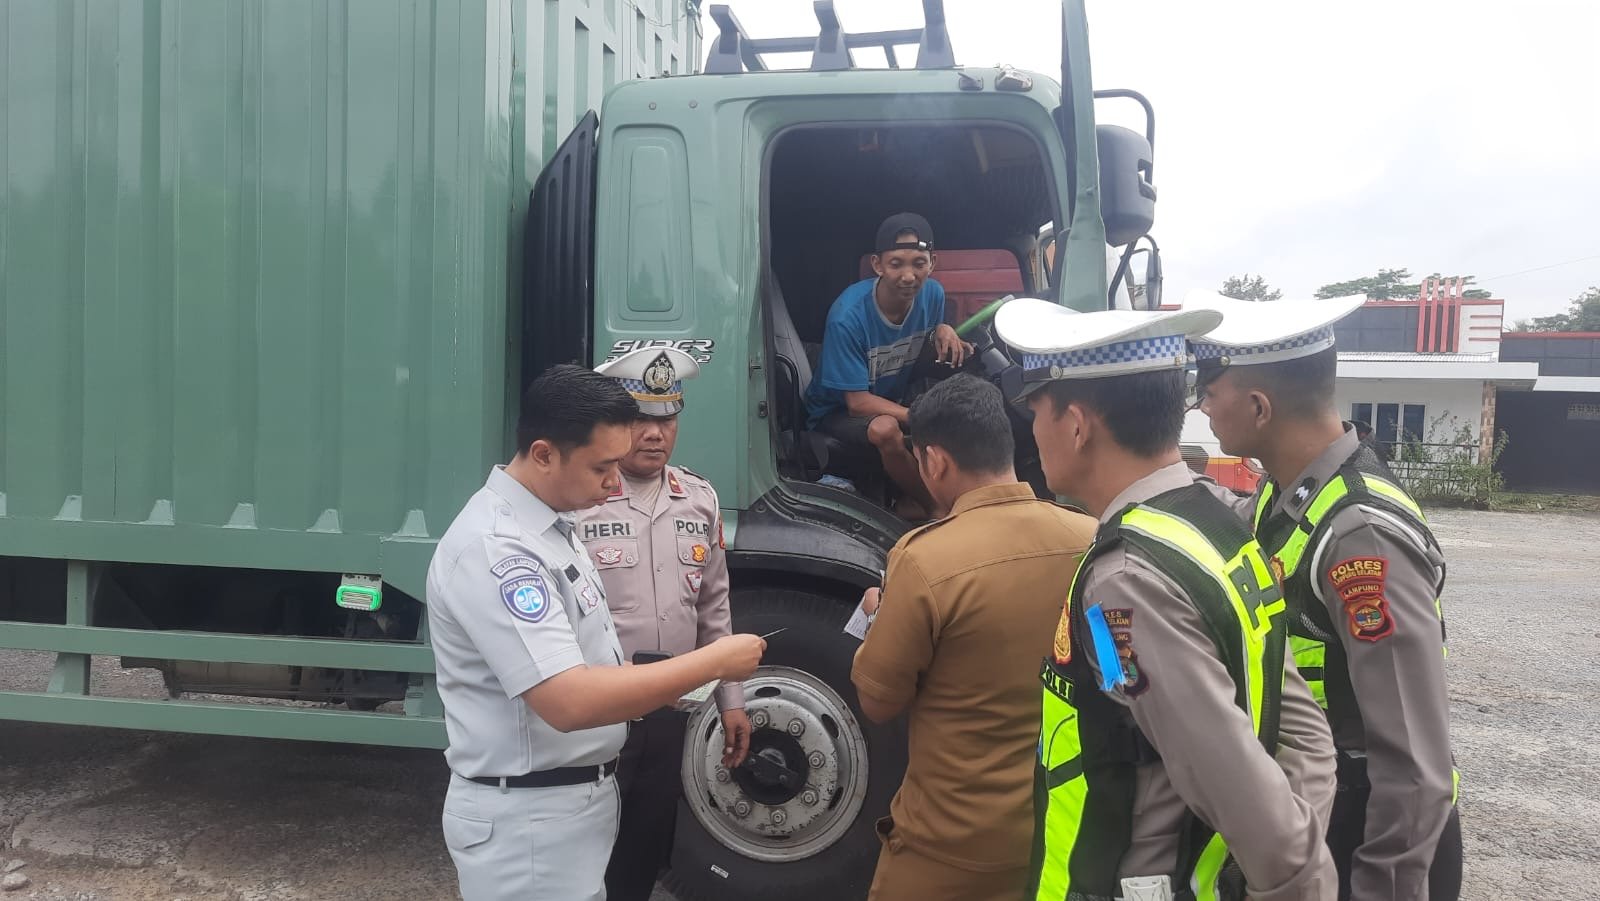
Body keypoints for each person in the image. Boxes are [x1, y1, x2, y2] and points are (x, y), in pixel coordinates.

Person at [993, 300, 1339, 901]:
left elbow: (1275, 838)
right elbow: (1305, 741)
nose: (1033, 433)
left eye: (1036, 412)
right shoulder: (1215, 524)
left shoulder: (1122, 582)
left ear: (1076, 425)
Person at [425, 364, 767, 901]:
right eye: (602, 466)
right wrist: (715, 663)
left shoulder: (551, 528)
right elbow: (567, 701)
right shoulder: (499, 550)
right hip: (531, 824)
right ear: (543, 454)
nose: (614, 482)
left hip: (570, 804)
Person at [1185, 291, 1461, 901]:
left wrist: (1382, 887)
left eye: (1209, 391)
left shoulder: (1359, 536)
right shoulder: (1284, 495)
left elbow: (1415, 764)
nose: (1202, 406)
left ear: (1258, 406)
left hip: (1370, 841)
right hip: (1321, 811)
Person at [848, 375, 1097, 901]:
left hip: (951, 845)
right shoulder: (1092, 536)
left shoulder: (923, 559)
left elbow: (877, 701)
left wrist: (878, 616)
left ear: (934, 461)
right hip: (1064, 828)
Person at [579, 347, 752, 901]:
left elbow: (714, 607)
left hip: (670, 707)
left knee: (645, 842)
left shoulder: (698, 501)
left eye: (667, 419)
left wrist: (733, 701)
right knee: (586, 842)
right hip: (599, 706)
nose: (655, 434)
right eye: (640, 420)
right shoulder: (582, 502)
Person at [804, 212, 972, 519]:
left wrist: (942, 330)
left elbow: (930, 331)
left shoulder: (932, 294)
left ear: (932, 263)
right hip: (834, 412)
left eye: (919, 264)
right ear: (878, 265)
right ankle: (934, 507)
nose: (909, 276)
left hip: (889, 398)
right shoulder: (848, 317)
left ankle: (920, 499)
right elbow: (856, 403)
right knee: (886, 429)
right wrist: (917, 416)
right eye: (897, 264)